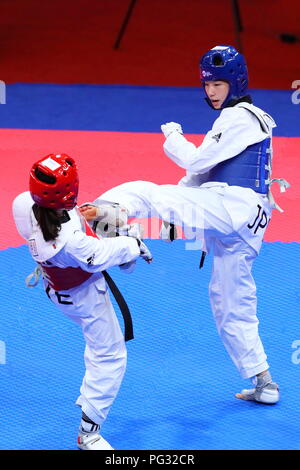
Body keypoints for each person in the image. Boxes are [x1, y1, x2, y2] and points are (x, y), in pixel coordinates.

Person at [82, 45, 290, 405]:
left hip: (233, 208)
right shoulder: (250, 119)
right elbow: (199, 177)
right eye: (207, 83)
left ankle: (106, 218)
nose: (210, 91)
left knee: (146, 192)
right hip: (247, 223)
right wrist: (176, 212)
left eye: (218, 83)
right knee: (230, 303)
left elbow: (194, 160)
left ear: (236, 81)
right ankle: (264, 382)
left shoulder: (240, 116)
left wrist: (172, 135)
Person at [12, 153, 152, 450]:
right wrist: (135, 244)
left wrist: (83, 215)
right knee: (110, 357)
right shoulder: (72, 243)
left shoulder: (24, 204)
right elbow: (99, 256)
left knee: (101, 351)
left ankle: (89, 404)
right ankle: (88, 433)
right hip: (85, 298)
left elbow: (63, 220)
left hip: (58, 290)